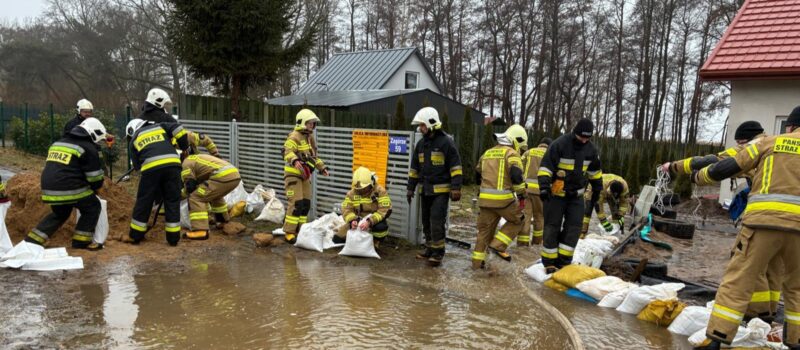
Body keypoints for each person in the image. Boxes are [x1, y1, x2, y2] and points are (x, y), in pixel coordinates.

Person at [691, 107, 800, 350]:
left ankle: (717, 340)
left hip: (762, 225)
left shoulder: (769, 142)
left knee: (738, 280)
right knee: (796, 288)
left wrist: (698, 177)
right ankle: (795, 342)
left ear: (790, 126)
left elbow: (728, 167)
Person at [25, 118, 107, 250]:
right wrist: (95, 188)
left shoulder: (58, 143)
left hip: (48, 188)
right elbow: (95, 178)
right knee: (93, 206)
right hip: (70, 188)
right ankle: (81, 242)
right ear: (93, 133)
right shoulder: (87, 147)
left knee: (60, 213)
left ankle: (32, 241)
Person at [538, 118, 603, 273]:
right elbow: (546, 167)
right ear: (575, 132)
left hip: (576, 196)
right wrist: (544, 188)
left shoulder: (591, 150)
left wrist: (597, 190)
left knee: (574, 228)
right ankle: (549, 262)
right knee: (552, 227)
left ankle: (564, 261)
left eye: (587, 138)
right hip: (556, 195)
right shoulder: (559, 144)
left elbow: (595, 173)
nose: (584, 140)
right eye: (582, 137)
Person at [407, 107, 463, 266]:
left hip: (441, 191)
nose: (420, 128)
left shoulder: (446, 142)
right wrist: (410, 188)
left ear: (431, 123)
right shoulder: (421, 144)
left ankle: (438, 253)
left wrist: (456, 187)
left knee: (436, 221)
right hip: (425, 190)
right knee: (426, 221)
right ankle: (430, 248)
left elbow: (456, 167)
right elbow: (414, 169)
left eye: (422, 125)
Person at [124, 117, 189, 246]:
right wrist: (184, 146)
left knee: (144, 201)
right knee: (172, 200)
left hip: (151, 170)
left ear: (131, 131)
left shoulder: (134, 140)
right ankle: (173, 238)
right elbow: (178, 128)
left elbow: (138, 167)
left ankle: (135, 235)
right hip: (173, 166)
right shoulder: (160, 126)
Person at [472, 124, 527, 269]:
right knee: (519, 220)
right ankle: (498, 245)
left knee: (484, 232)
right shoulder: (512, 154)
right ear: (516, 140)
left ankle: (477, 265)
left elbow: (477, 173)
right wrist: (522, 195)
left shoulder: (487, 153)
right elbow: (516, 176)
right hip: (504, 201)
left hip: (485, 201)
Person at [282, 109, 329, 244]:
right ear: (302, 122)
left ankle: (301, 229)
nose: (312, 125)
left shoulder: (309, 138)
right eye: (309, 123)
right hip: (293, 175)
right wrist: (295, 160)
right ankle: (289, 232)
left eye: (313, 123)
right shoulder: (294, 136)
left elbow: (313, 157)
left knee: (305, 204)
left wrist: (322, 168)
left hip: (304, 176)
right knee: (296, 203)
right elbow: (287, 151)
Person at [661, 121, 766, 176]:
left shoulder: (749, 147)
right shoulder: (768, 144)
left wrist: (672, 166)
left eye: (739, 142)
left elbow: (712, 160)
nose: (738, 145)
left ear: (747, 139)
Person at [181, 154, 240, 240]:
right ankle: (222, 221)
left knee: (195, 197)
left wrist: (180, 195)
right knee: (214, 195)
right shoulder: (195, 158)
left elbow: (190, 186)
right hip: (234, 175)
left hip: (222, 177)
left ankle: (200, 230)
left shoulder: (185, 164)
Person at [333, 167, 392, 248]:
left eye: (363, 188)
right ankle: (358, 240)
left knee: (380, 228)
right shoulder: (352, 193)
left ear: (370, 183)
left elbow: (384, 210)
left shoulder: (380, 191)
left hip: (374, 222)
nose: (361, 190)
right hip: (357, 221)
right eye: (358, 188)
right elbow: (346, 209)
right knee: (336, 239)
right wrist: (352, 220)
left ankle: (375, 242)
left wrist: (369, 222)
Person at [519, 137, 551, 246]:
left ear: (540, 144)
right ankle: (537, 243)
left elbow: (519, 167)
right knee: (539, 217)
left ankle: (522, 244)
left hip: (526, 190)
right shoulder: (550, 154)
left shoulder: (528, 152)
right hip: (542, 191)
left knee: (526, 216)